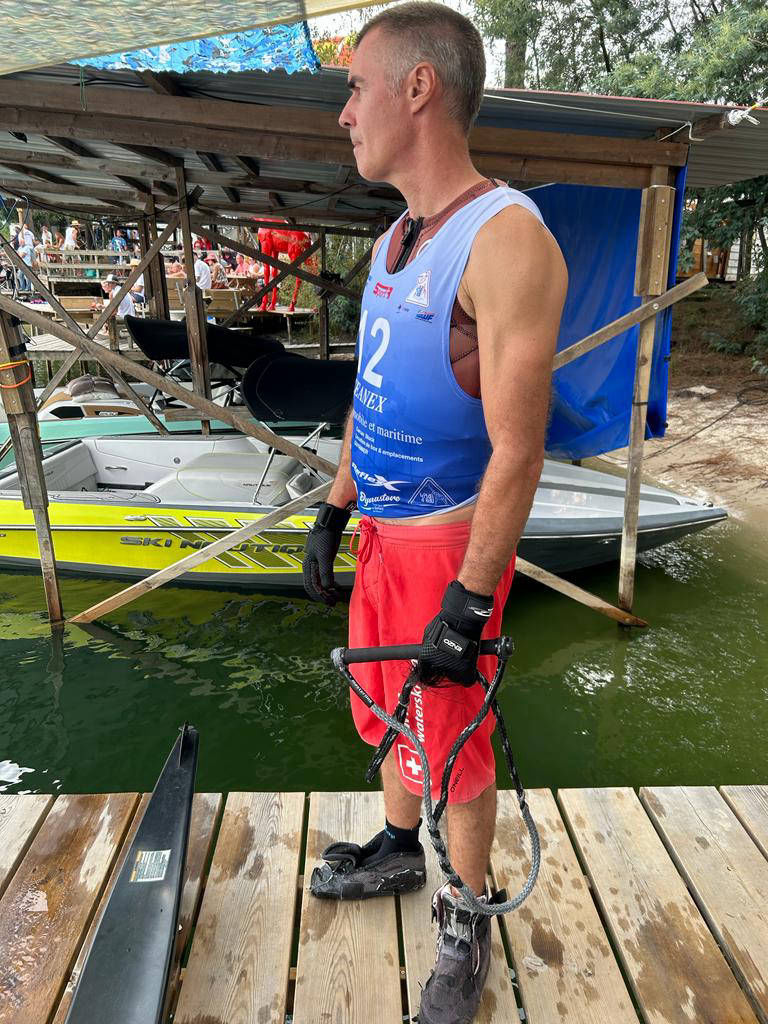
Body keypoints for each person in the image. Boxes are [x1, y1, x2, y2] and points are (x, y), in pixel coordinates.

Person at [300, 6, 567, 1024]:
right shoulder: (395, 239)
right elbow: (373, 392)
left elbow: (519, 448)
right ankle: (401, 848)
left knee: (454, 738)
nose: (344, 114)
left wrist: (470, 601)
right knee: (392, 711)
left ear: (418, 89)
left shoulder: (506, 240)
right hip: (381, 537)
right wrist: (334, 509)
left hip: (448, 545)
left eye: (355, 88)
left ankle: (467, 916)